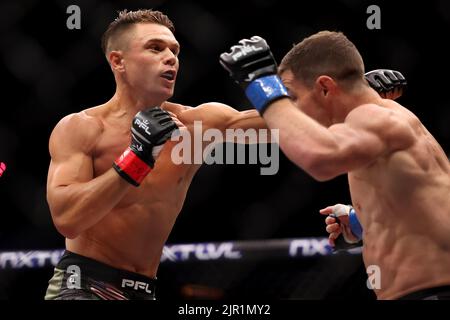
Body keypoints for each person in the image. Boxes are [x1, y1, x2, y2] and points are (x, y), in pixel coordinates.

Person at [44, 9, 271, 300]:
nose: (170, 57)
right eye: (155, 48)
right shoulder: (82, 128)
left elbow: (287, 128)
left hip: (146, 290)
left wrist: (266, 81)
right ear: (118, 61)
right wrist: (136, 159)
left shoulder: (195, 125)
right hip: (84, 286)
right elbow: (67, 219)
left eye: (174, 50)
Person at [220, 32, 450, 300]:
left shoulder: (374, 116)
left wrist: (261, 83)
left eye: (292, 97)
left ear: (326, 87)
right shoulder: (375, 124)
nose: (292, 109)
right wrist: (362, 223)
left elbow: (320, 158)